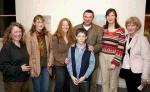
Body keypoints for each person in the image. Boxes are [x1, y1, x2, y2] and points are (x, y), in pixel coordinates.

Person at [73, 9, 102, 92]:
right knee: (79, 81)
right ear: (83, 17)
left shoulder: (98, 29)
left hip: (93, 60)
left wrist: (94, 48)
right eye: (85, 16)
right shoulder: (75, 28)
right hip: (78, 60)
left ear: (92, 18)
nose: (87, 19)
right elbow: (72, 42)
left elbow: (100, 43)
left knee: (92, 82)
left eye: (90, 17)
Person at [120, 17, 150, 92]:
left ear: (137, 27)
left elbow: (147, 59)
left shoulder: (142, 39)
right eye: (128, 25)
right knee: (130, 90)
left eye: (133, 25)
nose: (130, 27)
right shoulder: (125, 38)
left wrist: (145, 76)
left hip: (137, 72)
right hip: (127, 70)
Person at [99, 8, 125, 92]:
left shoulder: (121, 30)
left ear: (115, 17)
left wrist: (115, 62)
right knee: (104, 80)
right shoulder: (103, 29)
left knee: (113, 82)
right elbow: (100, 43)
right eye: (108, 15)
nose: (110, 17)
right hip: (102, 56)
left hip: (114, 57)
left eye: (112, 15)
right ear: (106, 17)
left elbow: (121, 47)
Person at [25, 15, 53, 92]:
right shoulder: (29, 35)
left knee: (45, 89)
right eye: (38, 22)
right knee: (37, 89)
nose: (41, 24)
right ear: (34, 23)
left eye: (42, 22)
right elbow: (28, 53)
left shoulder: (48, 34)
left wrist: (50, 60)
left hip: (46, 66)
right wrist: (31, 69)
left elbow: (51, 49)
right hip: (35, 66)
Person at [0, 22, 31, 92]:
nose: (18, 34)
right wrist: (20, 68)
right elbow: (3, 66)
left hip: (25, 80)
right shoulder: (7, 47)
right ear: (10, 33)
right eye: (15, 32)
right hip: (13, 82)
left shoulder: (23, 45)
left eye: (20, 31)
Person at [67, 28, 95, 92]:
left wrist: (84, 76)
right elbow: (69, 63)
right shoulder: (71, 49)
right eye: (79, 36)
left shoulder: (89, 49)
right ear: (76, 37)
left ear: (86, 37)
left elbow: (92, 64)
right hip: (73, 78)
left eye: (83, 36)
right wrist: (71, 76)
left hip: (84, 79)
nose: (81, 38)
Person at [52, 18, 74, 92]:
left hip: (69, 64)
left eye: (67, 25)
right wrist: (64, 59)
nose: (65, 26)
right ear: (60, 26)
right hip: (59, 65)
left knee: (67, 85)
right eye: (63, 25)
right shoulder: (55, 37)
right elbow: (55, 52)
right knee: (59, 84)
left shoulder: (71, 37)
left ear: (69, 26)